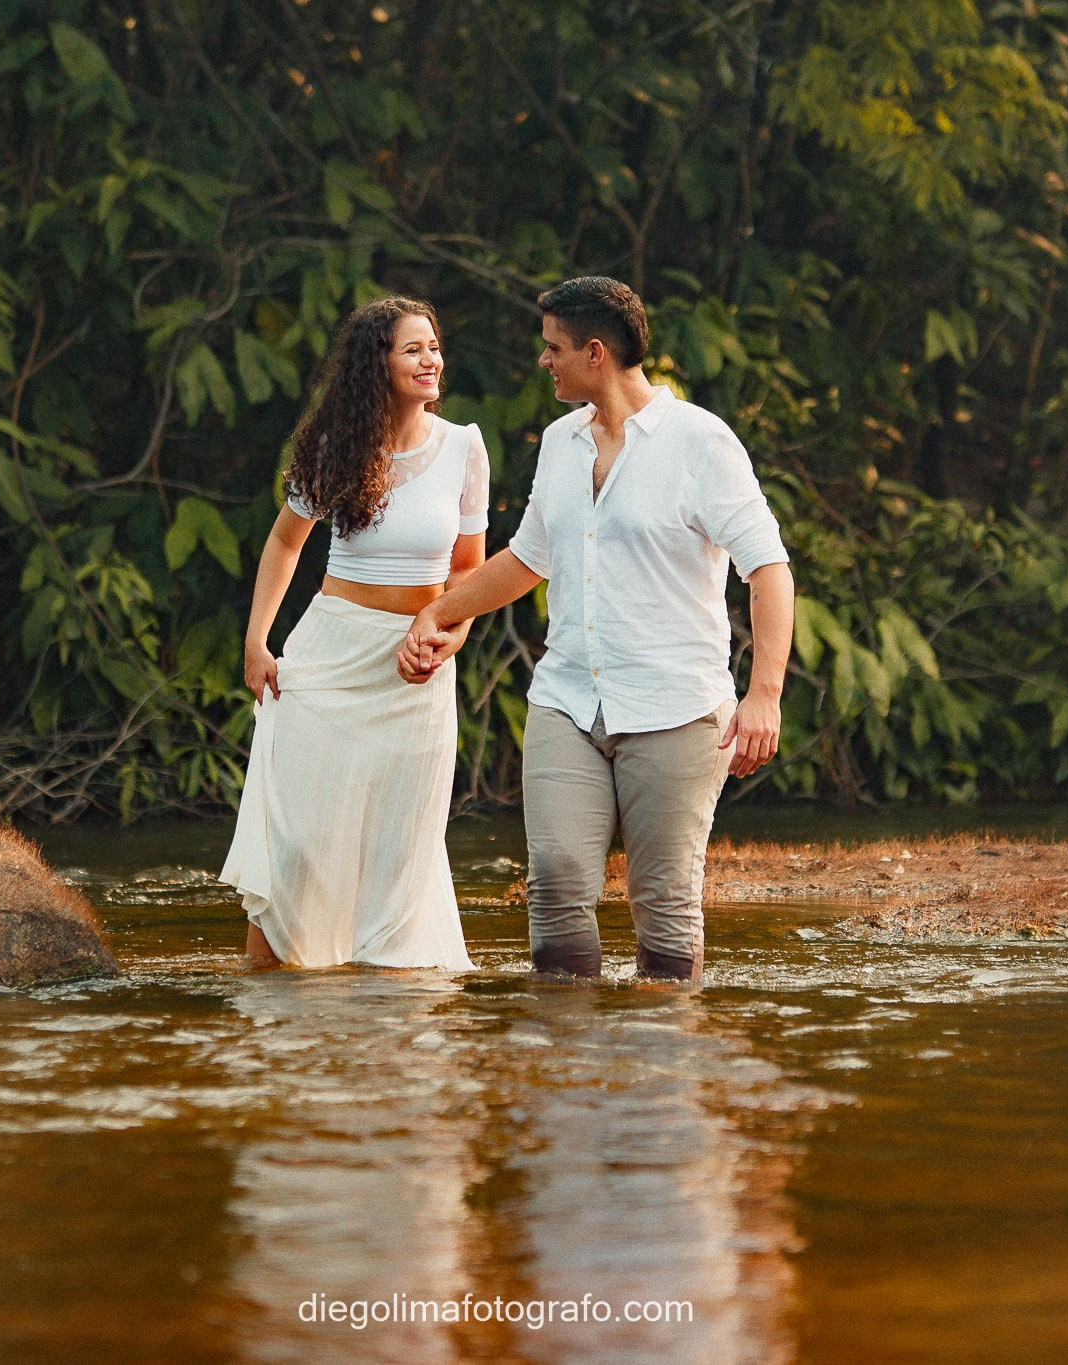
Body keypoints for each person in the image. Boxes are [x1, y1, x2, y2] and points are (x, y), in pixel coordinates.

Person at [399, 276, 792, 984]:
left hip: (676, 707)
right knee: (553, 884)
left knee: (664, 902)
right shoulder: (561, 441)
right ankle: (570, 1070)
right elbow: (528, 559)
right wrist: (440, 610)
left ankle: (663, 1073)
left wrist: (764, 693)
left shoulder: (701, 442)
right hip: (569, 699)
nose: (544, 361)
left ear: (596, 353)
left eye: (553, 348)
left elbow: (768, 568)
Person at [219, 297, 488, 970]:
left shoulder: (464, 446)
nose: (431, 360)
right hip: (330, 656)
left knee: (401, 851)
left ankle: (387, 1021)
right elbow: (284, 545)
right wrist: (258, 641)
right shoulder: (338, 447)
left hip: (417, 665)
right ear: (379, 363)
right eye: (412, 349)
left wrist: (451, 634)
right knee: (302, 844)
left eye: (434, 346)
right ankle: (274, 1003)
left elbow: (468, 570)